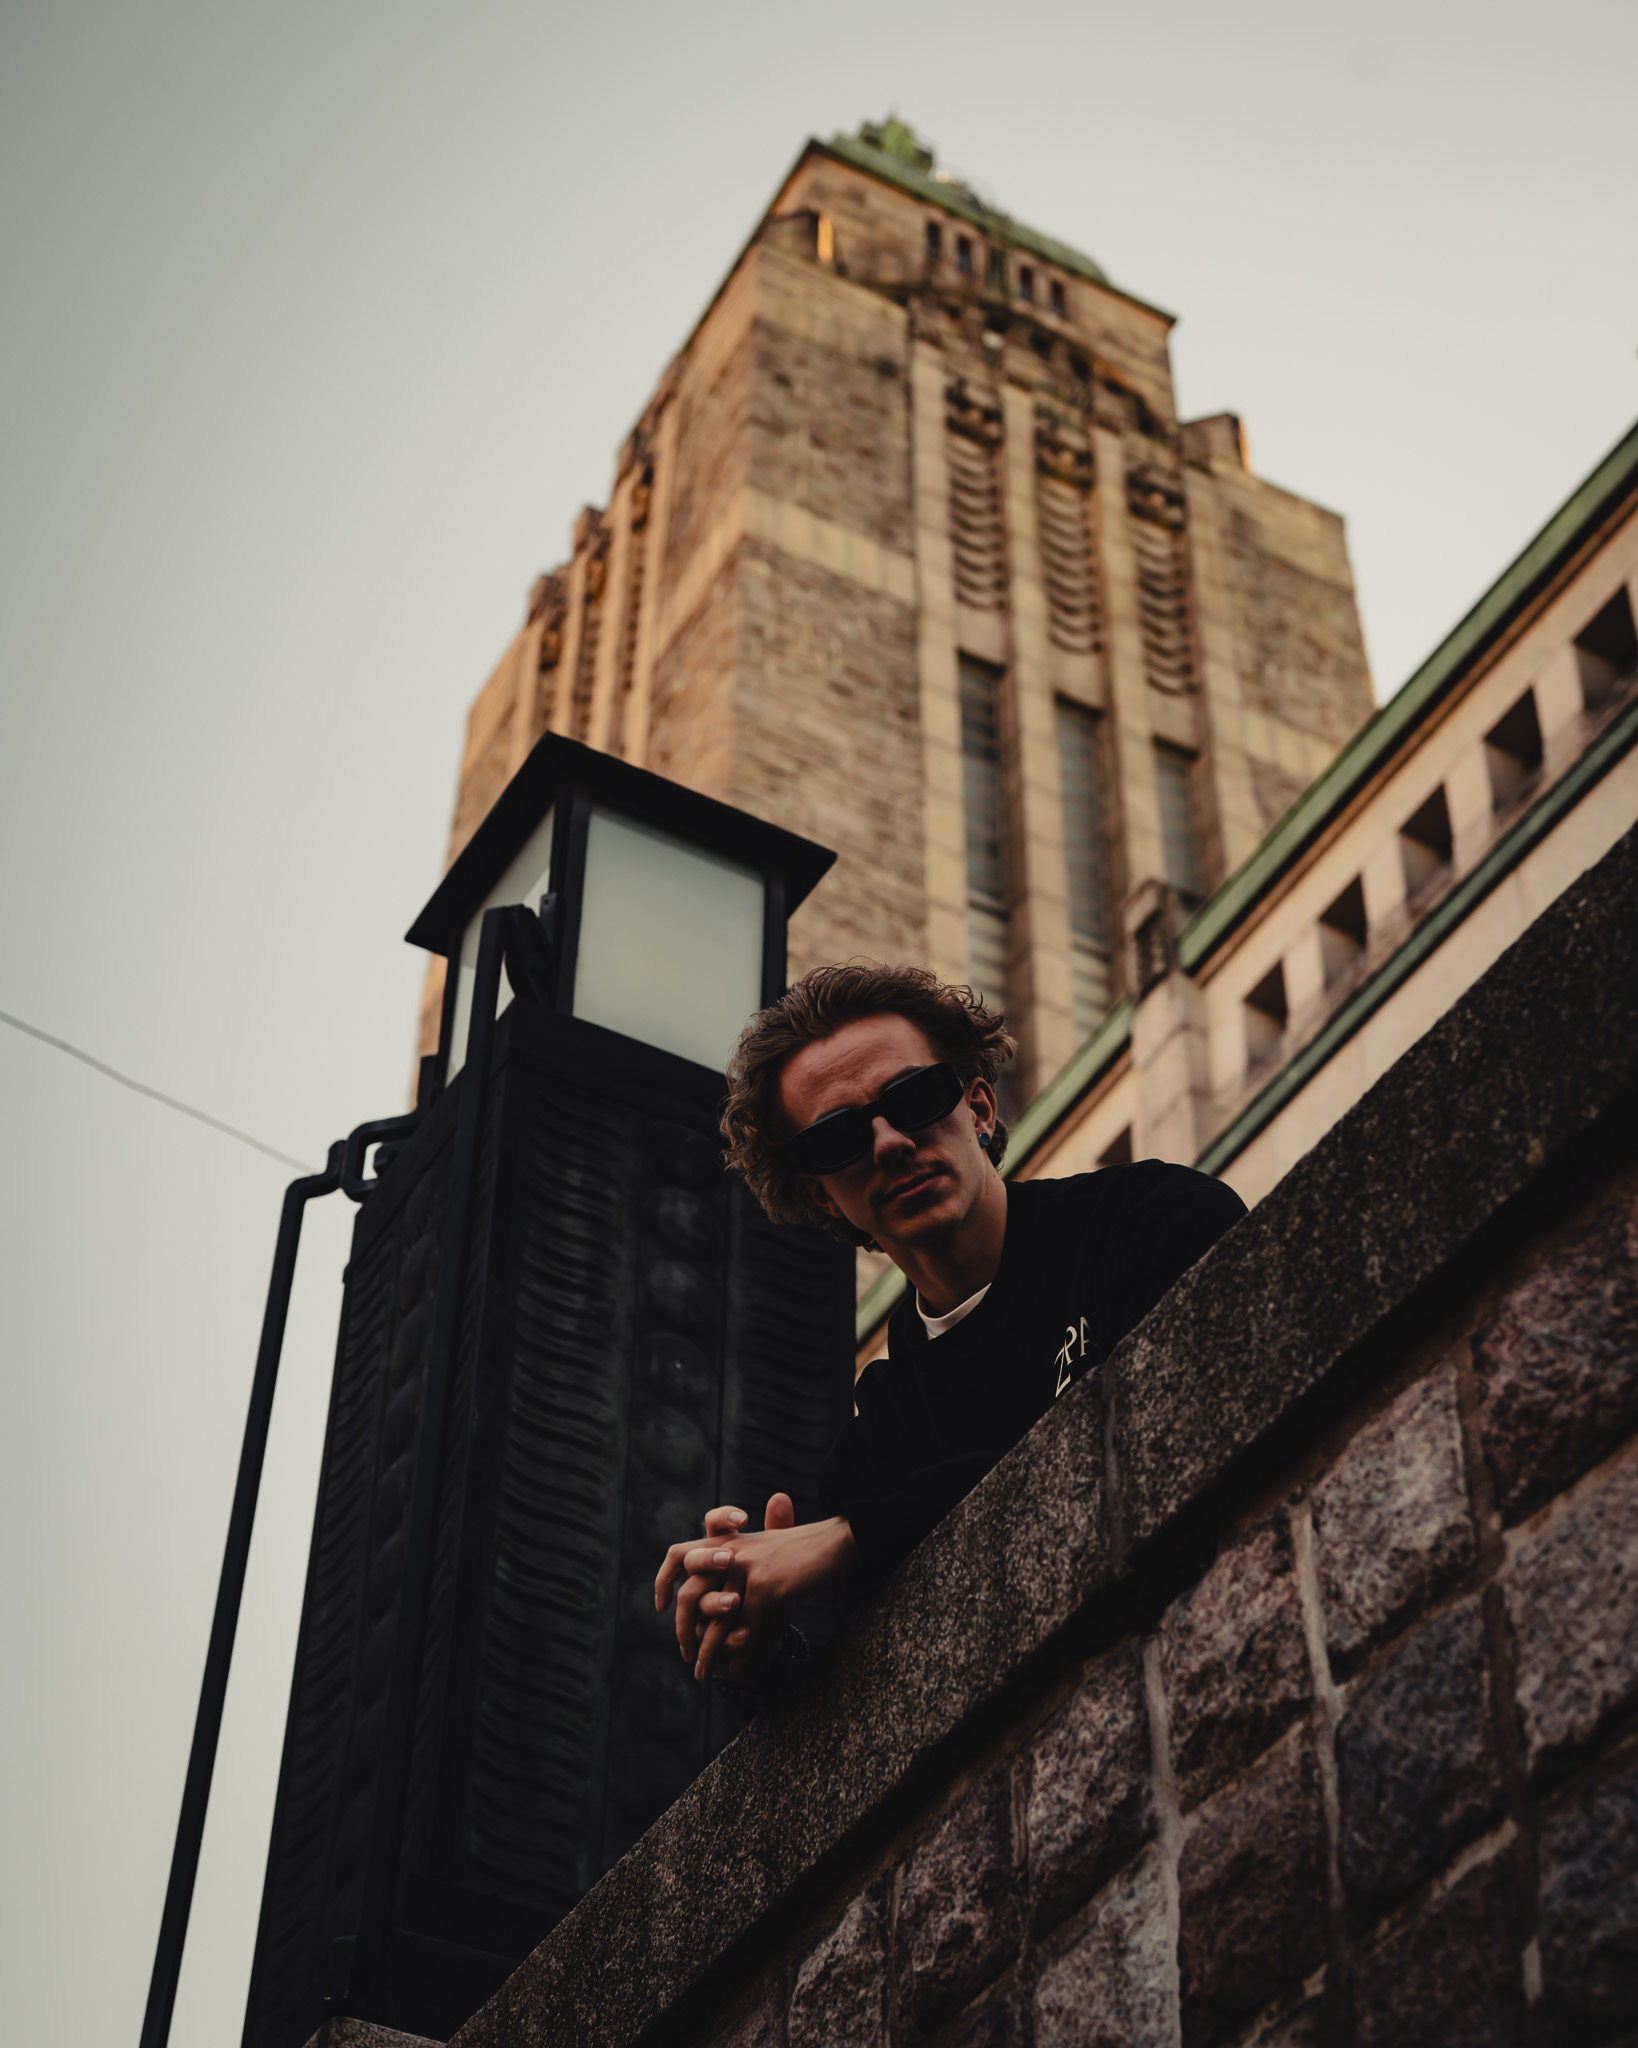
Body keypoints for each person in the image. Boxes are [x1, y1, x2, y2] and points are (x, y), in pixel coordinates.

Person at [653, 962, 1245, 1695]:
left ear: (981, 1109)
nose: (889, 1143)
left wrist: (855, 1538)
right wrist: (766, 1647)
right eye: (839, 1137)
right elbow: (863, 1695)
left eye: (915, 1097)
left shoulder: (1150, 1221)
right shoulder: (878, 1449)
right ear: (824, 1199)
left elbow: (1173, 1424)